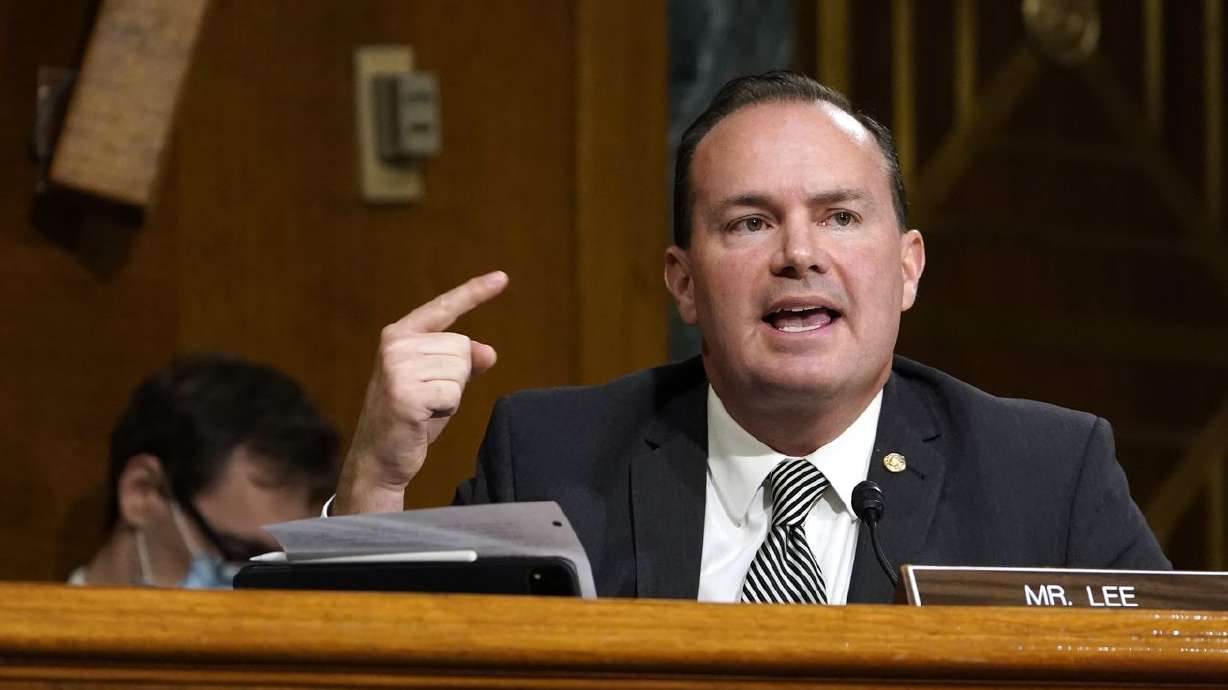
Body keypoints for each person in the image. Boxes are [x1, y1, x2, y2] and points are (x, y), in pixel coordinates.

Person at [332, 72, 1170, 602]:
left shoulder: (1046, 476)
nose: (799, 255)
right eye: (749, 223)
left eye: (840, 216)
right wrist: (377, 476)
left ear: (908, 268)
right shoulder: (552, 455)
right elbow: (402, 670)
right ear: (683, 282)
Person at [73, 354, 339, 588]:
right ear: (142, 491)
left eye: (284, 567)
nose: (265, 591)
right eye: (241, 555)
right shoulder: (35, 641)